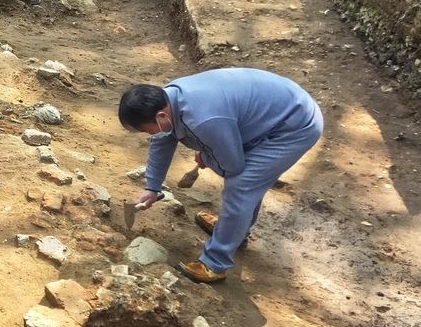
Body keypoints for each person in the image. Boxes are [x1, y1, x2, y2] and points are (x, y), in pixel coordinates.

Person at [118, 68, 324, 284]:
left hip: (294, 125)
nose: (149, 135)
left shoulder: (203, 119)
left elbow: (232, 166)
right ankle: (234, 230)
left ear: (161, 116)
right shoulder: (168, 100)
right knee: (246, 182)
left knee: (242, 185)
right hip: (268, 114)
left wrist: (208, 157)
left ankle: (214, 264)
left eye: (147, 130)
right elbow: (162, 140)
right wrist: (152, 187)